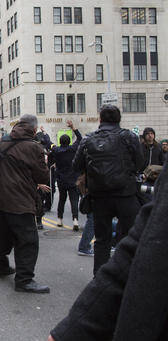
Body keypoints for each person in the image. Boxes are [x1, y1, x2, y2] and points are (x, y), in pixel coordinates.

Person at [48, 163, 168, 341]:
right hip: (121, 196)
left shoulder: (92, 144)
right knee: (112, 235)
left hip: (100, 195)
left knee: (102, 237)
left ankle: (94, 265)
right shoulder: (125, 142)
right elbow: (140, 244)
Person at [73, 105, 144, 275]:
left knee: (101, 240)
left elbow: (76, 165)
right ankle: (127, 274)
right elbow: (140, 163)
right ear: (119, 119)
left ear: (100, 119)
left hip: (100, 197)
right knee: (129, 237)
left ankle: (99, 278)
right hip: (125, 195)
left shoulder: (88, 139)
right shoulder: (129, 137)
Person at [0, 114, 50, 293]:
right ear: (34, 129)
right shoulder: (33, 147)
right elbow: (42, 176)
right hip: (20, 200)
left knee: (4, 233)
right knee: (28, 240)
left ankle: (0, 265)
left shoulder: (2, 143)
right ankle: (24, 279)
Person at [50, 120, 82, 230]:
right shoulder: (73, 149)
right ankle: (75, 220)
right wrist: (73, 127)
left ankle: (59, 219)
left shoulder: (57, 150)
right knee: (74, 200)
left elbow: (49, 143)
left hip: (61, 179)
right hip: (73, 178)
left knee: (62, 200)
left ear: (60, 141)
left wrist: (44, 134)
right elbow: (79, 139)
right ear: (69, 141)